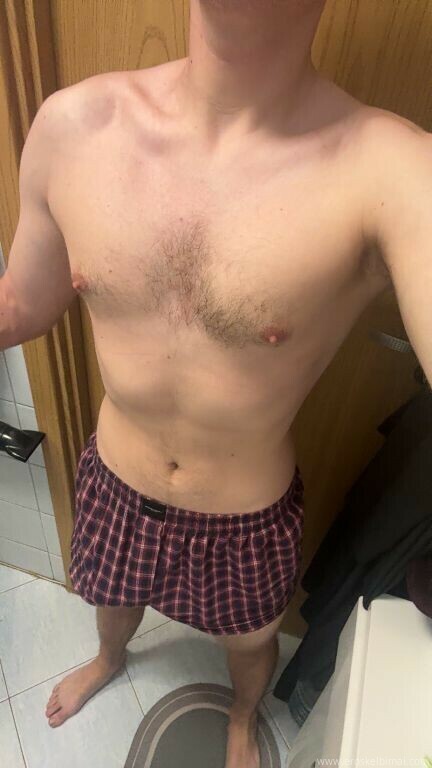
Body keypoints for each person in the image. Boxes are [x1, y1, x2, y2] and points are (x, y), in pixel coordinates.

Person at [1, 1, 431, 766]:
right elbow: (20, 306)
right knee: (111, 597)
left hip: (245, 517)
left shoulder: (390, 171)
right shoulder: (73, 127)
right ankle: (109, 659)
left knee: (251, 641)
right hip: (116, 478)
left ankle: (240, 716)